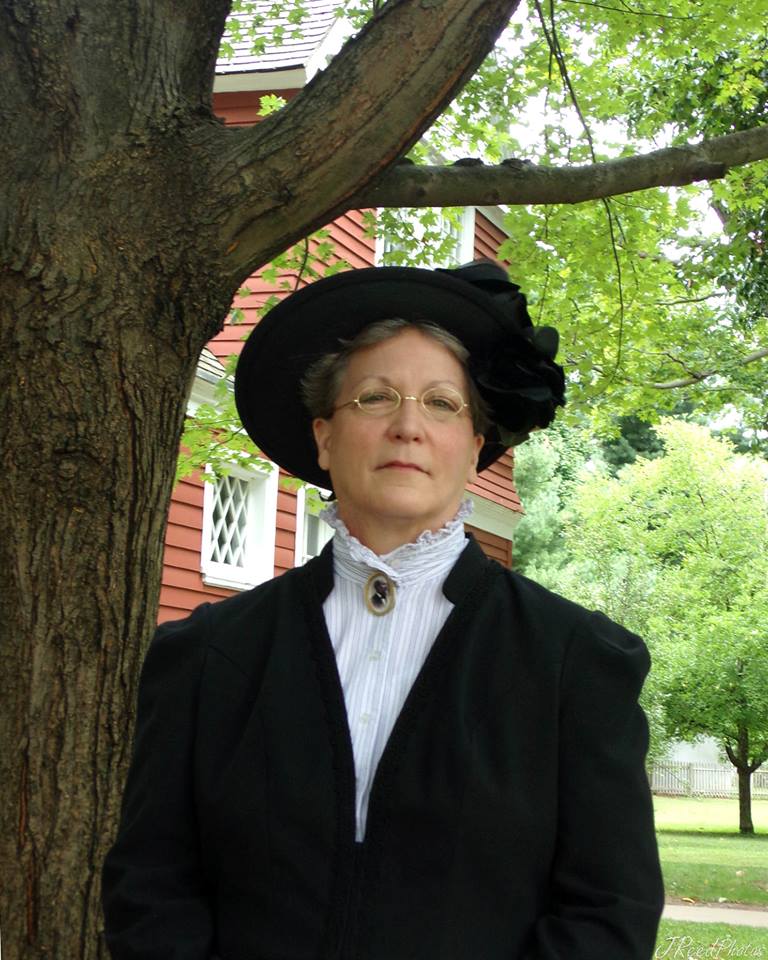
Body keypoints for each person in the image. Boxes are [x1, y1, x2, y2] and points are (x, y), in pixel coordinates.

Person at [102, 260, 664, 960]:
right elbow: (151, 887)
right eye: (373, 398)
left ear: (474, 448)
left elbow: (609, 912)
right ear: (324, 437)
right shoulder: (205, 656)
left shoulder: (575, 662)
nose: (408, 426)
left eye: (440, 403)